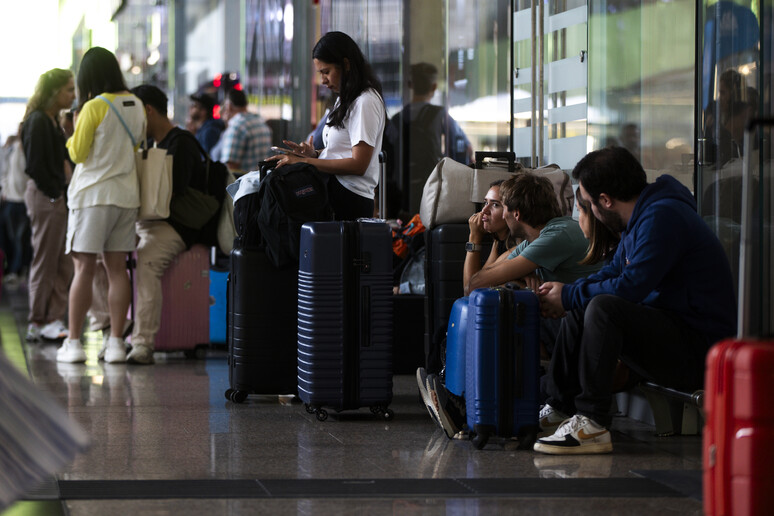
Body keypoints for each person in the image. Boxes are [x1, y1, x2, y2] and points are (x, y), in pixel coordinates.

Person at [533, 146, 736, 455]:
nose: (591, 213)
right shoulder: (641, 219)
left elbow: (630, 287)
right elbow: (613, 273)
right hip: (675, 335)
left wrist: (570, 295)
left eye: (588, 204)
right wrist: (565, 294)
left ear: (605, 200)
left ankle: (593, 422)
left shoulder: (663, 216)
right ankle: (560, 407)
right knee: (588, 303)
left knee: (603, 307)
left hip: (700, 351)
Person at [419, 173, 603, 439]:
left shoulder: (558, 235)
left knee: (498, 320)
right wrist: (513, 273)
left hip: (579, 326)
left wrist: (498, 264)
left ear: (515, 214)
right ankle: (460, 400)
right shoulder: (535, 239)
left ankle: (463, 404)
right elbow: (475, 285)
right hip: (563, 322)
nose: (497, 213)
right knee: (485, 311)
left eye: (500, 206)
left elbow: (475, 285)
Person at [127, 84, 223, 365]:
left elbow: (173, 195)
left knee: (147, 261)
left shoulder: (180, 143)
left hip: (179, 225)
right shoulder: (152, 144)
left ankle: (143, 343)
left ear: (148, 110)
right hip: (154, 222)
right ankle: (115, 332)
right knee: (104, 255)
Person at [62, 47, 146, 364]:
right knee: (117, 270)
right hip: (126, 197)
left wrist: (71, 131)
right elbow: (135, 146)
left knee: (83, 268)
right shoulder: (137, 104)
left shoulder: (95, 106)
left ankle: (72, 344)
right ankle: (114, 345)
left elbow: (78, 154)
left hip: (93, 197)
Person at [269, 31, 386, 221]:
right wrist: (315, 155)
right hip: (337, 191)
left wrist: (304, 162)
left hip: (350, 198)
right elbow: (344, 151)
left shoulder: (365, 101)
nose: (323, 80)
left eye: (326, 72)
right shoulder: (346, 99)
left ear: (346, 65)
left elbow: (359, 164)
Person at [20, 68, 76, 342]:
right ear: (54, 92)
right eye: (68, 89)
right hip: (47, 196)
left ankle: (51, 317)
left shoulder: (52, 120)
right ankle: (38, 319)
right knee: (46, 259)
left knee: (63, 261)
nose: (73, 95)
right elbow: (35, 165)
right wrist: (54, 192)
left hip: (54, 195)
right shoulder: (39, 121)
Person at [389, 62, 473, 214]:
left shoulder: (396, 119)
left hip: (401, 194)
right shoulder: (440, 115)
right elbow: (464, 148)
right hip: (433, 191)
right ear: (434, 87)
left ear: (410, 84)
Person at [462, 179, 511, 292]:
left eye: (495, 205)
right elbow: (472, 285)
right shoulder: (499, 240)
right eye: (486, 202)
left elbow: (469, 290)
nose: (484, 210)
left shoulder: (517, 245)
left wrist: (474, 237)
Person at [0, 124, 32, 287]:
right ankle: (12, 269)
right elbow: (5, 172)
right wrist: (5, 190)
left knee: (21, 237)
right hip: (11, 200)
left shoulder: (28, 149)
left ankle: (17, 269)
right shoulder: (12, 149)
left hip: (23, 201)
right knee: (10, 238)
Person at [219, 88, 272, 175]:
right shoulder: (260, 122)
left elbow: (230, 166)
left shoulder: (236, 126)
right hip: (260, 181)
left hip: (242, 183)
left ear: (228, 105)